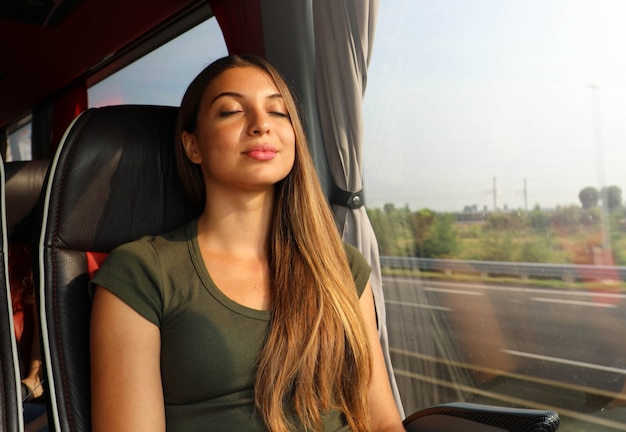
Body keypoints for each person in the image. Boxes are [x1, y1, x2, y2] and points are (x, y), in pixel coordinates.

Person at [89, 54, 404, 432]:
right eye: (231, 112)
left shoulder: (342, 266)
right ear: (193, 146)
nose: (261, 125)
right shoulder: (142, 272)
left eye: (278, 112)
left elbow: (383, 421)